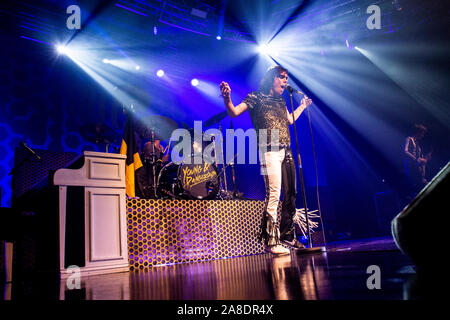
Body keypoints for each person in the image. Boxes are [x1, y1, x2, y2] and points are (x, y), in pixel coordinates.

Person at [220, 65, 312, 255]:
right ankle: (270, 240)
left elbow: (290, 120)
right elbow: (234, 112)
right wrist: (227, 98)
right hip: (269, 150)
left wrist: (303, 105)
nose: (285, 81)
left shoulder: (280, 101)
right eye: (282, 77)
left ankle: (287, 234)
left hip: (286, 150)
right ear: (272, 78)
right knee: (274, 194)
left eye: (286, 77)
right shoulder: (256, 97)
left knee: (291, 193)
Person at [403, 124, 431, 202]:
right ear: (418, 132)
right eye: (422, 133)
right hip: (411, 167)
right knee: (416, 187)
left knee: (422, 185)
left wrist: (424, 159)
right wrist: (416, 159)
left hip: (417, 169)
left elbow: (419, 156)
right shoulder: (409, 139)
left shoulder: (418, 144)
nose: (423, 135)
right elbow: (405, 151)